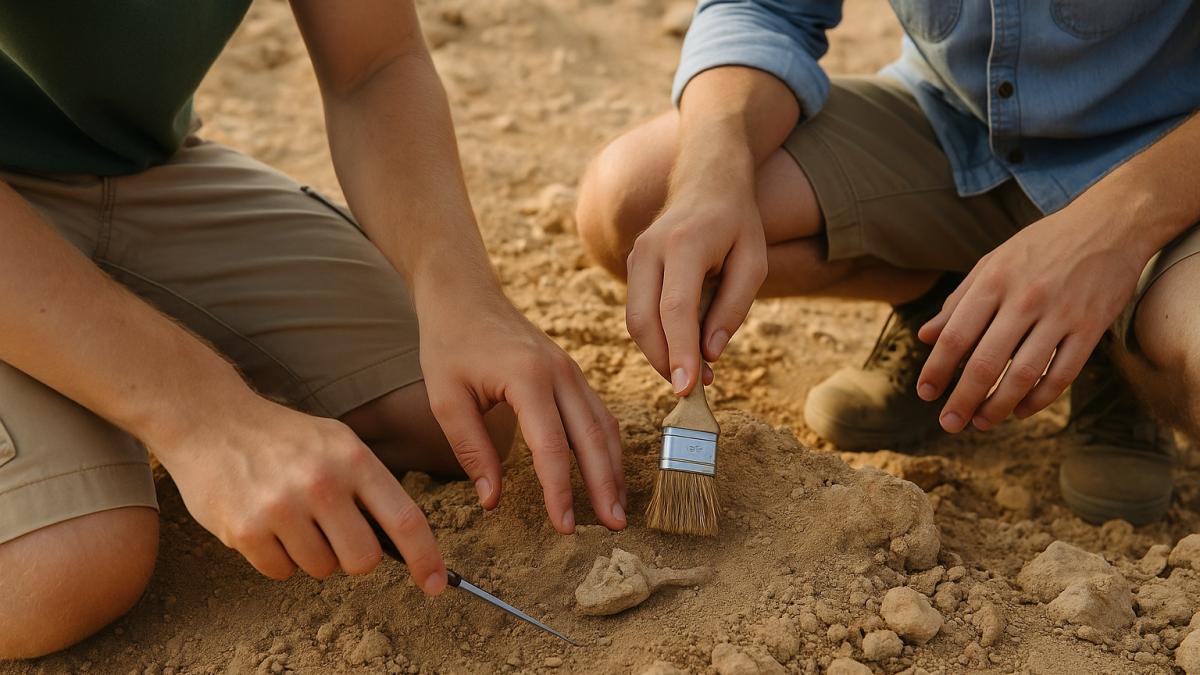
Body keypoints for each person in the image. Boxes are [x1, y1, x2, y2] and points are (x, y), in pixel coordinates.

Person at [0, 1, 627, 658]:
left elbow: (374, 65)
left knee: (464, 411)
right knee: (59, 566)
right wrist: (205, 415)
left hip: (138, 167)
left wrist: (465, 298)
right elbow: (204, 416)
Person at [577, 1, 1200, 529]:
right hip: (953, 127)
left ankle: (1111, 348)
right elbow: (766, 10)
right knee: (636, 201)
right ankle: (957, 305)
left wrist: (1113, 233)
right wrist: (710, 178)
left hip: (1167, 173)